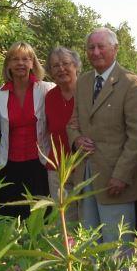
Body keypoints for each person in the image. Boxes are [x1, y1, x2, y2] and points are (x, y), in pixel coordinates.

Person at [68, 27, 137, 243]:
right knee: (90, 245)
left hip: (115, 180)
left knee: (117, 249)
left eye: (101, 46)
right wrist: (76, 139)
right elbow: (72, 123)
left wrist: (121, 175)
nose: (95, 52)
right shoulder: (83, 82)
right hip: (85, 178)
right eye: (90, 47)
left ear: (115, 49)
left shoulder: (131, 84)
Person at [0, 41, 54, 219]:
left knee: (40, 217)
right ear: (8, 65)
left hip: (39, 164)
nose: (20, 63)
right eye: (15, 59)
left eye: (25, 59)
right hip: (9, 165)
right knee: (9, 217)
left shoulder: (46, 89)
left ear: (32, 63)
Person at [44, 46, 82, 221]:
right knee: (64, 222)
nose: (61, 69)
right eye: (55, 66)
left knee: (88, 220)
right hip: (57, 168)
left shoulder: (88, 92)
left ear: (76, 65)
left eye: (66, 63)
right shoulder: (49, 97)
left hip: (84, 166)